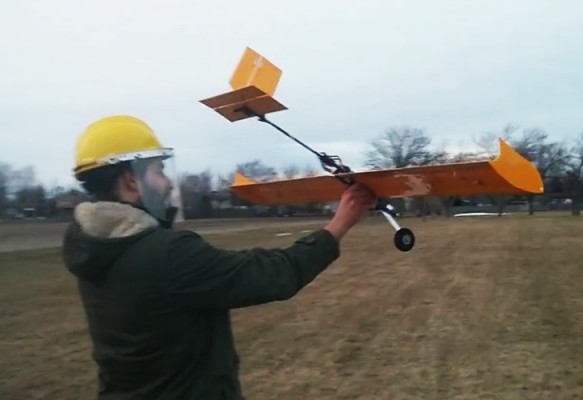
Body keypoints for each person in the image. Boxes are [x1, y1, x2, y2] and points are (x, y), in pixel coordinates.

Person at [62, 114, 376, 399]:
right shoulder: (167, 254)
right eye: (158, 171)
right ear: (132, 180)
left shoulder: (94, 247)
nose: (168, 181)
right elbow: (273, 275)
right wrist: (339, 224)